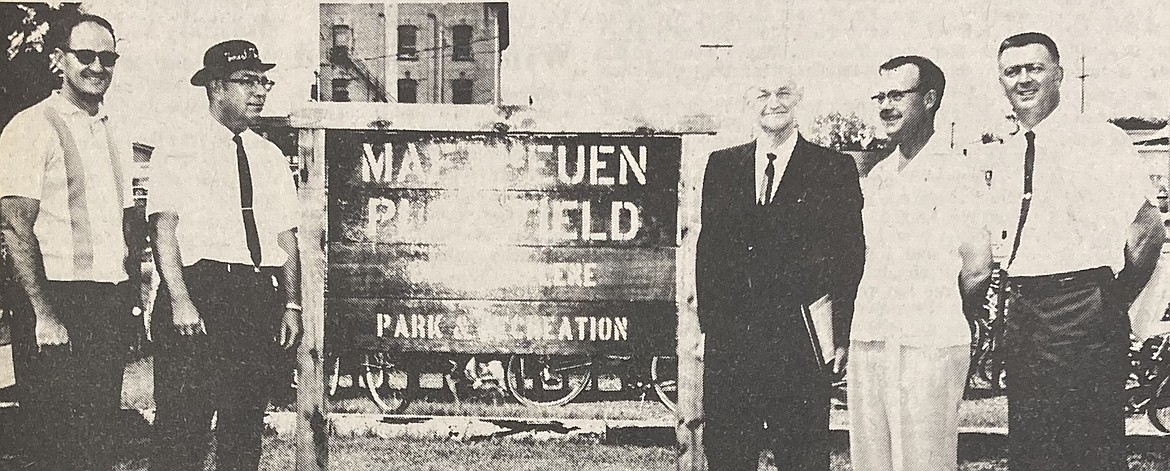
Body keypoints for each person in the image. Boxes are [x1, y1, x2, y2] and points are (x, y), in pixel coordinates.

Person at [981, 32, 1162, 471]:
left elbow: (1147, 232)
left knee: (1088, 446)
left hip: (1082, 304)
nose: (1023, 79)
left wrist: (1109, 301)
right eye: (1012, 71)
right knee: (1031, 444)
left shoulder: (1098, 140)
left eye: (1035, 68)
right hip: (1024, 308)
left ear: (1058, 74)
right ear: (1001, 81)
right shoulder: (1006, 152)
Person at [695, 67, 865, 471]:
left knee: (803, 454)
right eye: (763, 94)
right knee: (728, 454)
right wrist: (713, 327)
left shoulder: (832, 168)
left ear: (799, 98)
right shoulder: (722, 165)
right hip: (734, 344)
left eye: (784, 92)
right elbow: (709, 251)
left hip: (800, 342)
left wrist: (840, 334)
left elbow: (850, 255)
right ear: (748, 102)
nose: (774, 102)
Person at [148, 39, 302, 470]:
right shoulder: (179, 148)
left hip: (254, 296)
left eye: (264, 81)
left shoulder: (269, 155)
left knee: (244, 424)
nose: (260, 91)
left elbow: (285, 237)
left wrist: (291, 304)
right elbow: (164, 229)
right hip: (199, 293)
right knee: (182, 427)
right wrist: (179, 299)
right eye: (247, 81)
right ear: (216, 88)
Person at [0, 13, 141, 470]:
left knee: (98, 443)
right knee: (53, 446)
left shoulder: (112, 129)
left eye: (108, 57)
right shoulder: (31, 126)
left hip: (107, 301)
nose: (98, 66)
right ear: (59, 59)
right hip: (56, 299)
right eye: (86, 56)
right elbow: (15, 227)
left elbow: (120, 224)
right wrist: (44, 315)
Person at [848, 55, 992, 471]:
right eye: (881, 96)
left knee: (924, 460)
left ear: (929, 99)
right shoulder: (879, 177)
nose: (886, 106)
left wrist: (943, 313)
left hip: (930, 344)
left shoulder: (957, 172)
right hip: (872, 337)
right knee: (872, 458)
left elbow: (977, 268)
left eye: (897, 95)